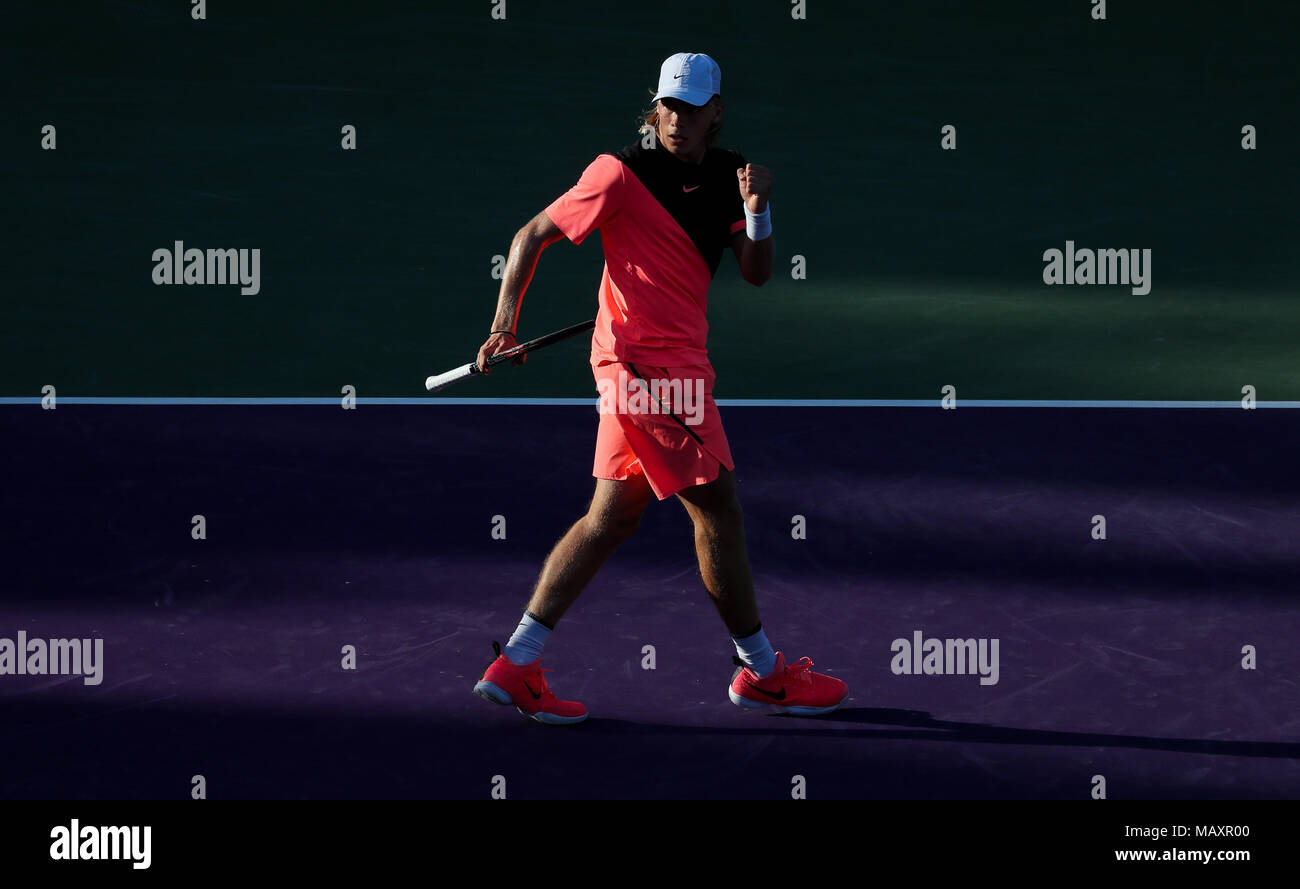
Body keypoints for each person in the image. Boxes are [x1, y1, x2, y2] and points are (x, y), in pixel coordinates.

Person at [471, 52, 847, 724]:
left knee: (612, 517)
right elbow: (531, 235)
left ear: (716, 112)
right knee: (718, 510)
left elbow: (756, 272)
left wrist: (758, 210)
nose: (677, 120)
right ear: (656, 108)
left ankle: (518, 662)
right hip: (650, 371)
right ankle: (761, 671)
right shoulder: (619, 172)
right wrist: (504, 325)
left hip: (662, 365)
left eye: (692, 108)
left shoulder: (732, 176)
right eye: (668, 106)